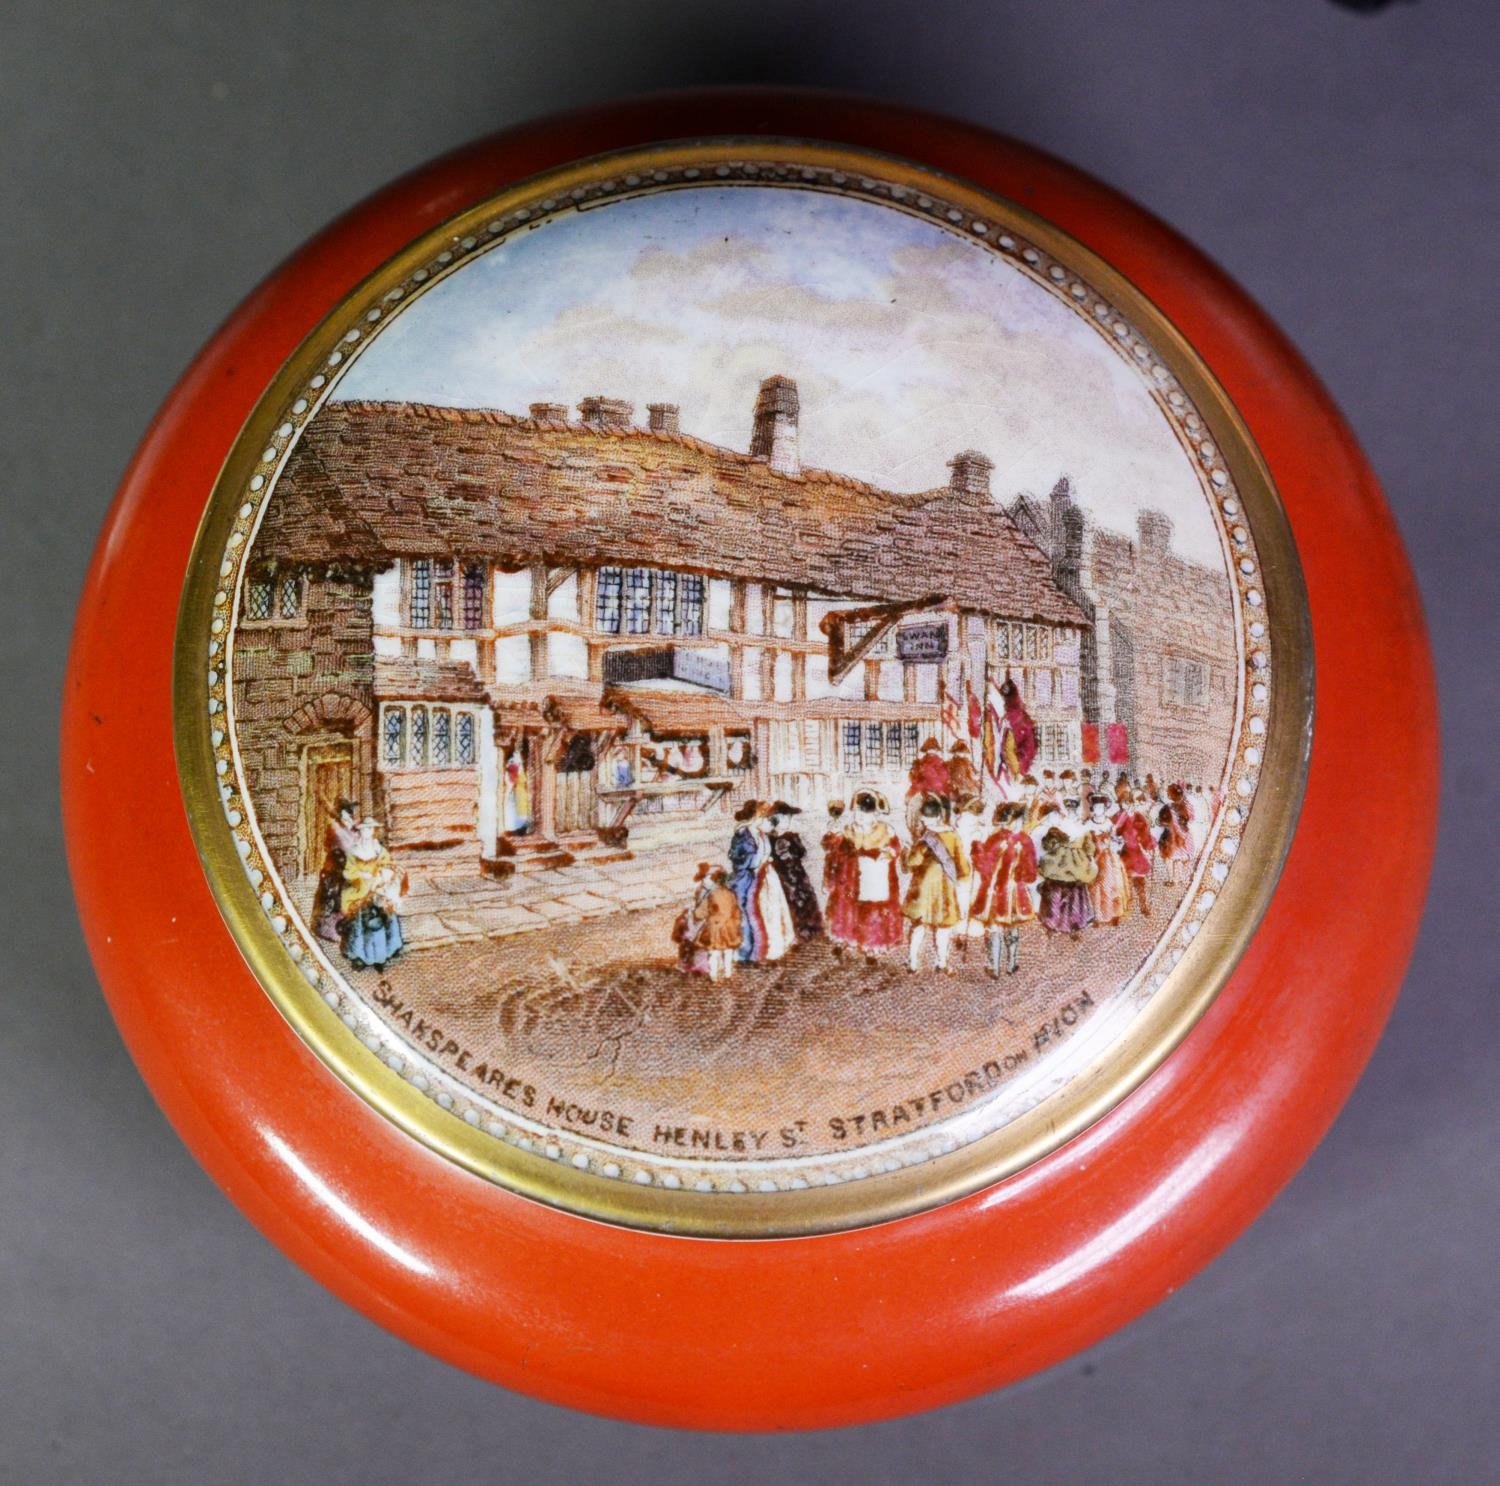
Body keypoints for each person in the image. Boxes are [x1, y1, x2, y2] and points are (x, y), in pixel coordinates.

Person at [829, 790, 904, 964]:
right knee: (848, 908)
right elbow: (838, 852)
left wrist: (890, 852)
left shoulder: (885, 830)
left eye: (865, 812)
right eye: (857, 811)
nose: (860, 816)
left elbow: (895, 846)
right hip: (852, 878)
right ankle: (848, 938)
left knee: (873, 912)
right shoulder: (848, 831)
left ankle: (872, 946)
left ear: (875, 814)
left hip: (875, 877)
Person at [902, 794, 971, 973]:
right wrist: (964, 878)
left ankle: (913, 964)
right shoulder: (953, 836)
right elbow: (961, 864)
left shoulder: (923, 840)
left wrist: (906, 852)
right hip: (944, 889)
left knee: (918, 926)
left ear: (924, 819)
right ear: (940, 816)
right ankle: (942, 963)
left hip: (923, 889)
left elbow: (911, 863)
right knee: (943, 928)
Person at [972, 801, 1038, 976]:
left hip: (997, 890)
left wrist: (977, 850)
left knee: (999, 926)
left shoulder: (996, 839)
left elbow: (984, 867)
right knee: (1010, 925)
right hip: (1013, 890)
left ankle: (999, 965)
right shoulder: (1024, 839)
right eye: (1016, 820)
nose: (1019, 823)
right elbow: (1031, 871)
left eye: (1020, 820)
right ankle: (1008, 963)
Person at [727, 800, 795, 964]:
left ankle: (771, 947)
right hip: (749, 877)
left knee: (771, 909)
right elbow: (737, 859)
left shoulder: (761, 835)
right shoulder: (742, 835)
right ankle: (749, 951)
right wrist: (758, 861)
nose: (767, 820)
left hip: (766, 876)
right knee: (752, 912)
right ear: (756, 817)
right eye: (764, 817)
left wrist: (766, 861)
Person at [339, 818, 406, 970]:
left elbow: (387, 867)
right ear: (359, 832)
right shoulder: (353, 851)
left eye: (369, 829)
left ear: (373, 831)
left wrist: (380, 878)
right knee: (360, 918)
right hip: (359, 888)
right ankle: (359, 955)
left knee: (383, 914)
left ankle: (383, 954)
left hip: (377, 887)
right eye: (363, 829)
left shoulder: (380, 850)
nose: (366, 832)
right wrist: (361, 875)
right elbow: (348, 872)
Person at [1037, 801, 1096, 940]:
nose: (1071, 813)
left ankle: (1073, 926)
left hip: (1075, 869)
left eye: (1056, 814)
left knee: (1074, 900)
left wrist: (1087, 855)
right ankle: (1051, 925)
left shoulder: (1079, 826)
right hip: (1057, 869)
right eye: (1052, 815)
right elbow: (1046, 846)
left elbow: (1088, 845)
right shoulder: (1049, 830)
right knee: (1054, 898)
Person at [675, 863, 743, 982]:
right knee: (728, 951)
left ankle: (714, 976)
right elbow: (736, 910)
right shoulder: (731, 894)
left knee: (714, 952)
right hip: (729, 927)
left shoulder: (712, 894)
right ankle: (728, 974)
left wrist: (695, 914)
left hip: (715, 927)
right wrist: (735, 923)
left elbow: (702, 911)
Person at [767, 800, 822, 943]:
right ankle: (795, 934)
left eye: (789, 818)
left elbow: (802, 852)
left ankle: (809, 930)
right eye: (785, 818)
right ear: (777, 819)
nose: (788, 821)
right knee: (790, 902)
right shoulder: (770, 839)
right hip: (782, 876)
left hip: (797, 874)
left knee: (804, 899)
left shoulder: (791, 835)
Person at [312, 797, 360, 943]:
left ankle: (346, 931)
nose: (349, 818)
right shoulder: (335, 829)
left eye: (350, 815)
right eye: (345, 815)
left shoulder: (352, 830)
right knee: (332, 899)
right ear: (340, 814)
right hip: (335, 870)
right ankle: (326, 930)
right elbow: (336, 846)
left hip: (349, 871)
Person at [1084, 794, 1129, 927]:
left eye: (1101, 807)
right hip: (1095, 858)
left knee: (1111, 885)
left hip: (1109, 858)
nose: (1098, 809)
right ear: (1093, 808)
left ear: (1104, 809)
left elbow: (1115, 838)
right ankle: (1097, 916)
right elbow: (1085, 842)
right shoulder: (1088, 824)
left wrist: (1115, 843)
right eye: (1096, 807)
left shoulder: (1109, 823)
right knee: (1096, 888)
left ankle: (1114, 914)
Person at [1114, 790, 1156, 918]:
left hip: (1137, 854)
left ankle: (1143, 906)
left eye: (1130, 803)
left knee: (1140, 882)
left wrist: (1150, 845)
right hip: (1125, 853)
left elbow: (1145, 835)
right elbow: (1115, 832)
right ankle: (1127, 907)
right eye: (1125, 804)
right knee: (1126, 883)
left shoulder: (1139, 817)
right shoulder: (1121, 817)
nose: (1128, 806)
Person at [946, 742, 981, 808]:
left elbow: (974, 772)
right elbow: (947, 775)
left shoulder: (967, 762)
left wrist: (975, 776)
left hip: (966, 783)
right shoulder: (950, 763)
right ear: (955, 753)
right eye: (959, 752)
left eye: (962, 752)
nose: (961, 754)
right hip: (956, 785)